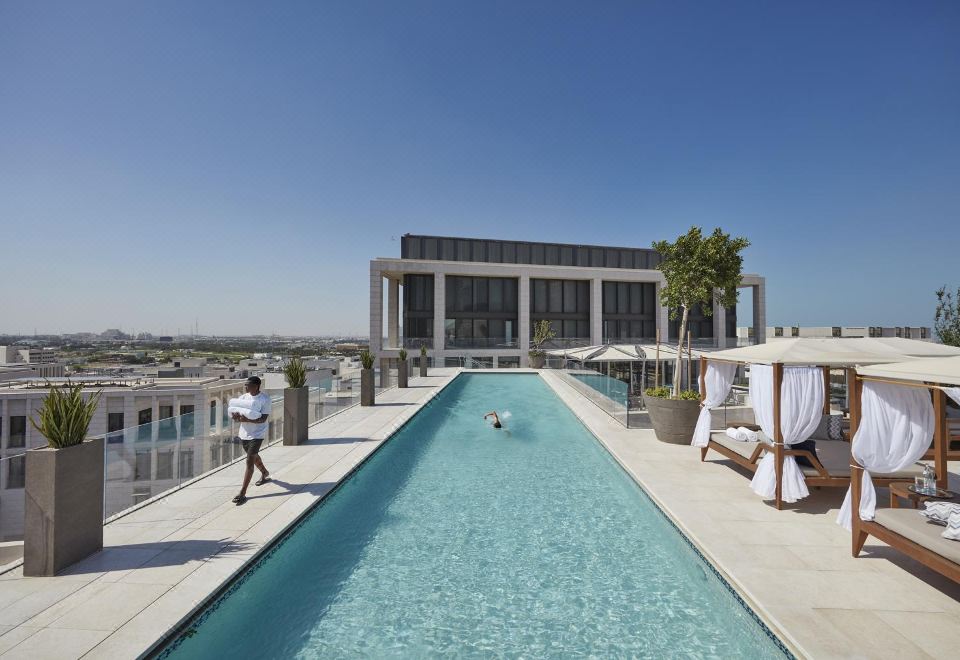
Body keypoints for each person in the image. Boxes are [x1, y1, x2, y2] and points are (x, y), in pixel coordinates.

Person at [231, 376, 271, 505]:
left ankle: (242, 493)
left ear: (256, 386)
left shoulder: (265, 399)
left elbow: (263, 419)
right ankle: (264, 472)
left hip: (258, 433)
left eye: (248, 385)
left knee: (249, 460)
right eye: (245, 385)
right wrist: (236, 417)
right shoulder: (243, 398)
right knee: (253, 456)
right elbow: (236, 415)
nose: (246, 387)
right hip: (244, 433)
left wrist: (247, 419)